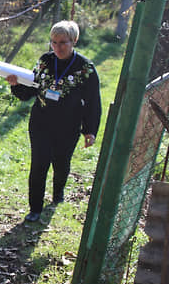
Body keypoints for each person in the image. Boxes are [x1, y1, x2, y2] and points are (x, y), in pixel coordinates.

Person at [7, 20, 101, 223]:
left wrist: (89, 131)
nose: (58, 47)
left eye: (63, 42)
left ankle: (58, 193)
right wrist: (15, 85)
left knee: (61, 163)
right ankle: (35, 208)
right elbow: (30, 91)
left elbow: (93, 103)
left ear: (74, 41)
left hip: (68, 126)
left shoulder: (86, 69)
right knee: (39, 165)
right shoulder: (45, 61)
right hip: (41, 123)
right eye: (54, 42)